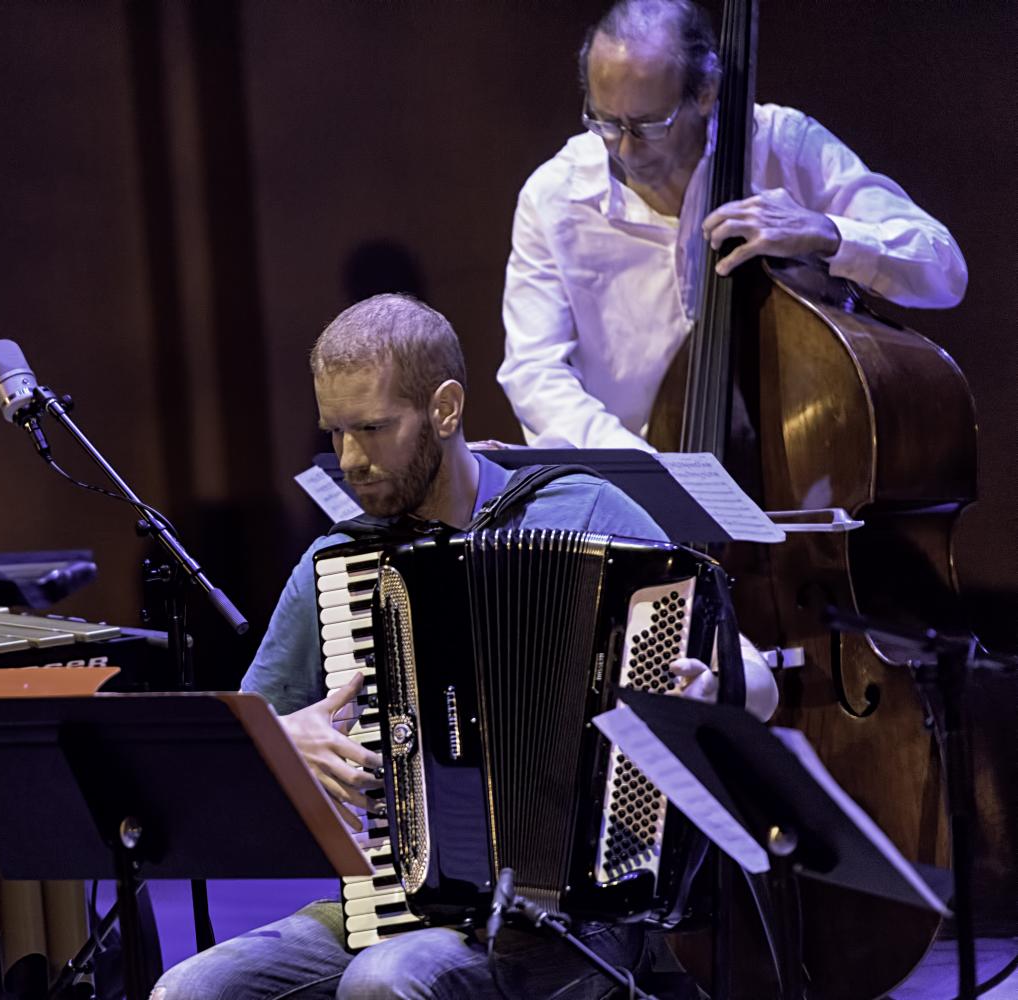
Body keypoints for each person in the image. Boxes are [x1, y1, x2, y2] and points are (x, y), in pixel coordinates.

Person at [151, 293, 777, 1000]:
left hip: (574, 914)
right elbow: (235, 746)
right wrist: (286, 737)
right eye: (335, 433)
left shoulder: (584, 511)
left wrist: (707, 694)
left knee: (382, 983)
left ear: (445, 409)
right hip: (390, 903)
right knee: (189, 991)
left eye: (373, 428)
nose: (350, 461)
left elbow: (754, 675)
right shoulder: (337, 564)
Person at [498, 0, 968, 450]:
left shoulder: (782, 147)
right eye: (604, 122)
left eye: (647, 126)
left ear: (705, 94)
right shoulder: (554, 197)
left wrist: (827, 232)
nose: (623, 149)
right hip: (633, 501)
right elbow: (535, 371)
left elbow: (943, 270)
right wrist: (649, 474)